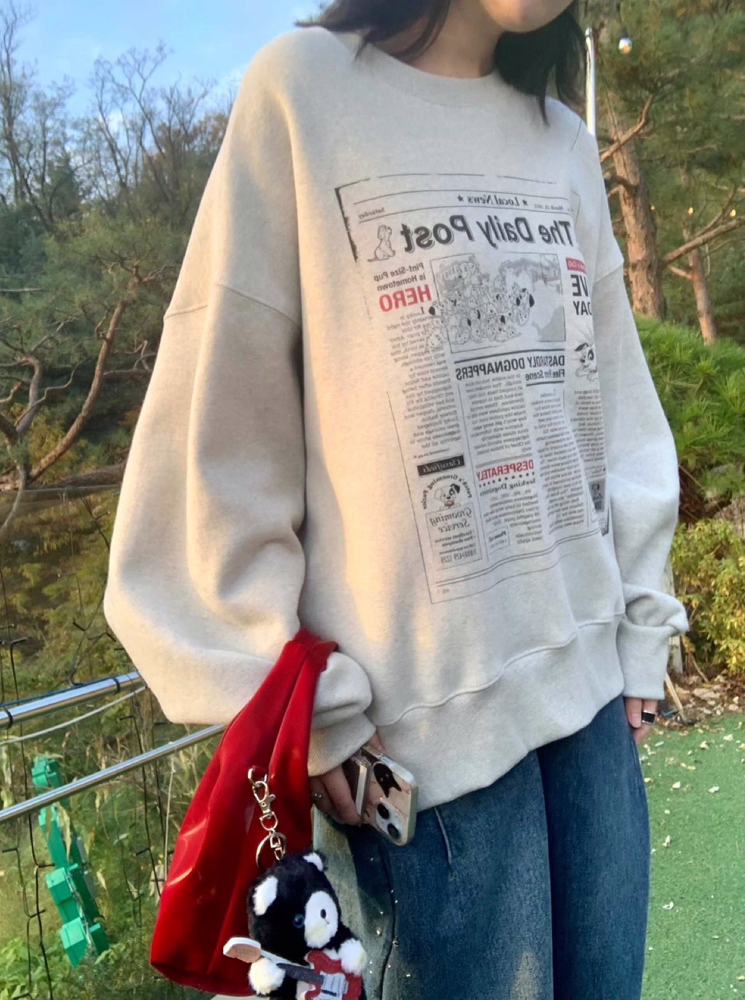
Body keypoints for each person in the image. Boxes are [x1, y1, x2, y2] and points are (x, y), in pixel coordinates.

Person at [103, 2, 689, 997]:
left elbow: (618, 412)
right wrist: (296, 694)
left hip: (592, 710)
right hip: (418, 757)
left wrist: (641, 622)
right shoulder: (302, 92)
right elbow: (219, 442)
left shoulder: (562, 140)